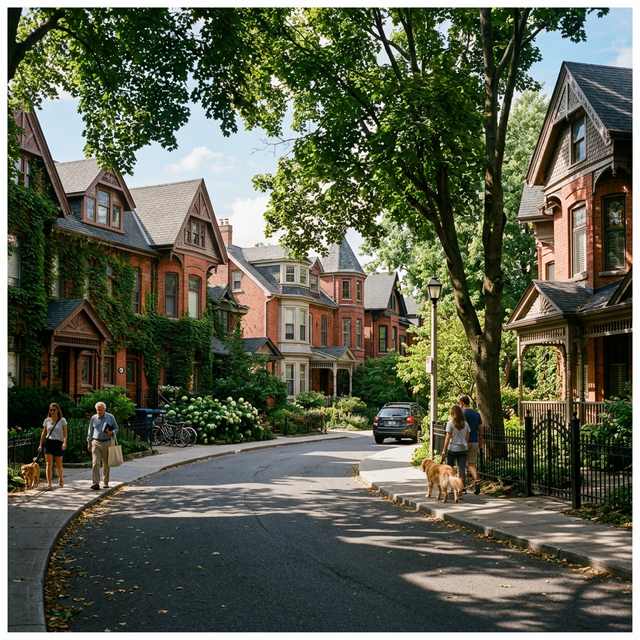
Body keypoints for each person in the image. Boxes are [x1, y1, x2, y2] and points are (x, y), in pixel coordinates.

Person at [87, 401, 119, 490]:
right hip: (96, 442)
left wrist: (112, 432)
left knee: (105, 463)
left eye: (100, 410)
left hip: (107, 442)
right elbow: (90, 431)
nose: (99, 412)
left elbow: (116, 428)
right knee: (95, 462)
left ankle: (105, 482)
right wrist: (89, 442)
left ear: (104, 409)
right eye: (97, 410)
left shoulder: (110, 417)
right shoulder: (93, 418)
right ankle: (95, 483)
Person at [38, 403, 68, 490]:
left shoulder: (62, 420)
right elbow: (43, 434)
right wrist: (40, 445)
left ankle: (61, 480)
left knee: (58, 465)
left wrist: (64, 443)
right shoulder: (46, 420)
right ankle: (49, 484)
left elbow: (65, 433)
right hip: (49, 443)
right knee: (48, 464)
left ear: (58, 410)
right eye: (51, 410)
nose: (52, 411)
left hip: (59, 443)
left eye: (54, 410)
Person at [442, 404, 470, 492]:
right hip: (463, 449)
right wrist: (464, 443)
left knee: (450, 469)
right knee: (461, 469)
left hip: (452, 449)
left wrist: (444, 450)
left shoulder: (450, 423)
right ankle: (462, 488)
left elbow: (447, 437)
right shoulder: (465, 424)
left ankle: (452, 488)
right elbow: (467, 437)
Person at [459, 394, 483, 495]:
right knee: (471, 463)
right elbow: (480, 428)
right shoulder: (476, 414)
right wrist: (480, 440)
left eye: (459, 403)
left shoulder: (461, 413)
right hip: (474, 441)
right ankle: (476, 481)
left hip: (463, 442)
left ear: (462, 403)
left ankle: (462, 486)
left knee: (461, 465)